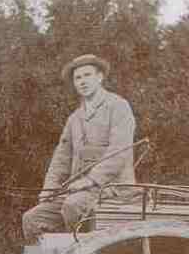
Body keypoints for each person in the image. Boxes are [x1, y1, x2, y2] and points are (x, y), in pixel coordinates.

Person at [22, 54, 137, 242]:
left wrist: (91, 180)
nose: (82, 82)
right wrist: (49, 188)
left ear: (99, 77)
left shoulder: (118, 107)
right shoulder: (75, 118)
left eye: (87, 75)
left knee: (72, 206)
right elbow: (61, 158)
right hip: (78, 192)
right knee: (32, 219)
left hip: (113, 189)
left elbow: (120, 151)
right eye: (78, 78)